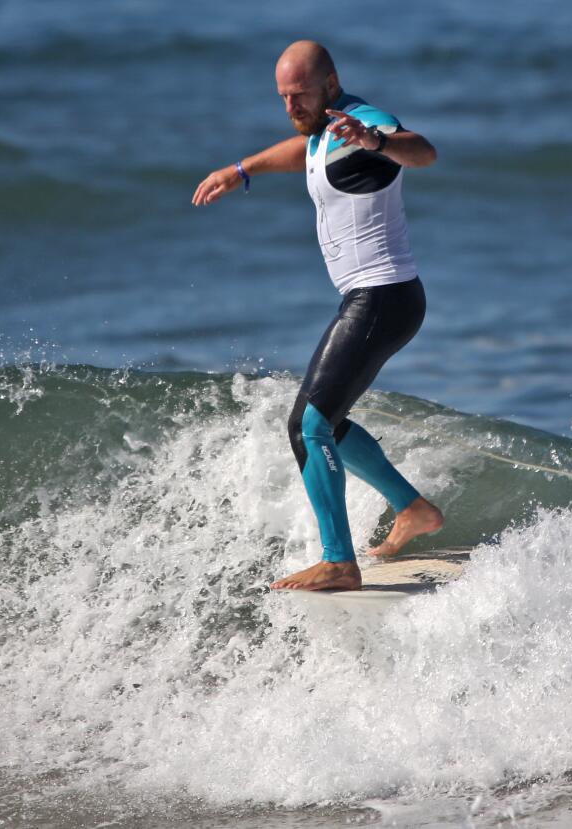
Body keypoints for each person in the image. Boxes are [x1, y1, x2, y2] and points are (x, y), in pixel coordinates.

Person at [192, 40, 444, 591]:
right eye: (283, 97)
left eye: (300, 94)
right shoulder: (322, 133)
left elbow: (422, 151)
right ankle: (414, 509)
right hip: (376, 298)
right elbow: (304, 151)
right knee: (325, 422)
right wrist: (241, 168)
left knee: (307, 426)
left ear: (331, 83)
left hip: (382, 296)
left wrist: (377, 139)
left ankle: (339, 562)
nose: (291, 106)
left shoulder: (364, 125)